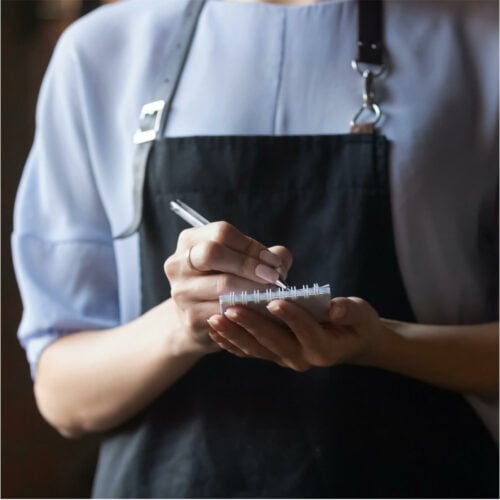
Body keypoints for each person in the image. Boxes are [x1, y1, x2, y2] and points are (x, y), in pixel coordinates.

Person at [12, 0, 499, 497]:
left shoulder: (481, 38)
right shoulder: (102, 51)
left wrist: (384, 343)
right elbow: (62, 397)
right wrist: (182, 327)